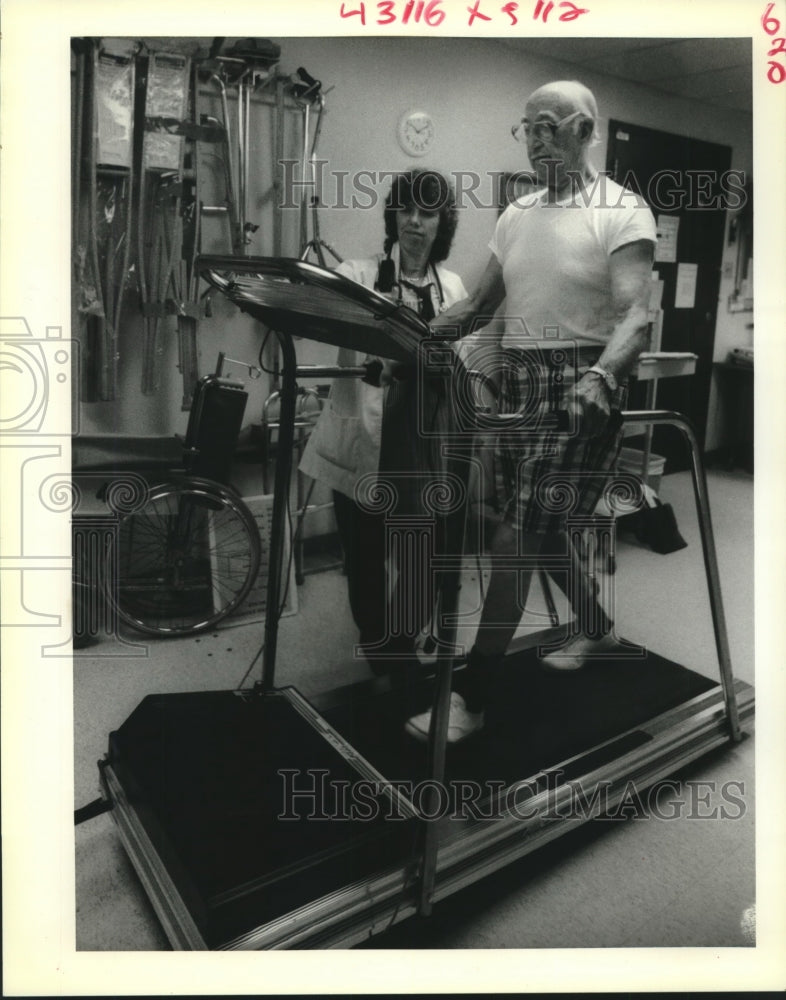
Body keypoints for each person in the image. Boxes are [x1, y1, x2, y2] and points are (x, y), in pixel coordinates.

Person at [406, 80, 657, 742]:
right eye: (527, 127)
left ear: (585, 129)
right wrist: (405, 329)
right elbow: (476, 307)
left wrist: (603, 374)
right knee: (536, 531)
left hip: (580, 386)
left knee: (514, 538)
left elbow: (638, 314)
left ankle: (474, 695)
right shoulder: (516, 215)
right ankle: (597, 628)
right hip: (518, 383)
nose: (537, 139)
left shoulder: (622, 210)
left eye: (549, 125)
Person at [300, 169, 467, 670]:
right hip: (366, 439)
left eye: (428, 212)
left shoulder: (454, 286)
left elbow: (461, 358)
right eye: (407, 210)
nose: (415, 222)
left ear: (443, 223)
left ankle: (401, 639)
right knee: (366, 557)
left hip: (423, 445)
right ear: (393, 216)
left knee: (423, 556)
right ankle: (382, 652)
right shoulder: (358, 275)